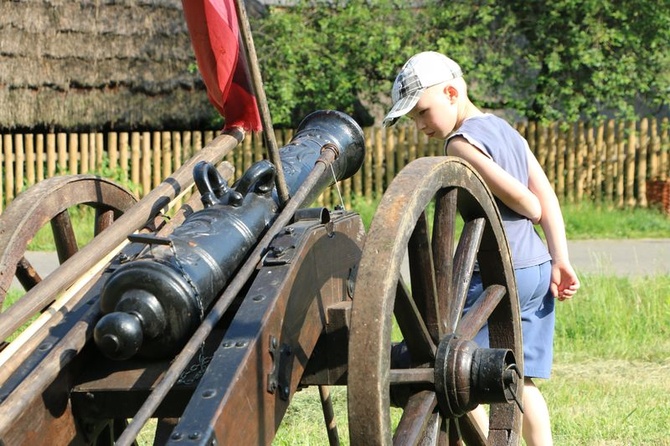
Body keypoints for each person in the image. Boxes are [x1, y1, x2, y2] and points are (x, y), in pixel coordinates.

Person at [383, 51, 580, 445]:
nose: (420, 125)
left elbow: (531, 202)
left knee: (457, 371)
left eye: (422, 112)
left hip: (499, 276)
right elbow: (549, 197)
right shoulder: (505, 129)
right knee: (518, 378)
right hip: (536, 269)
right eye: (413, 118)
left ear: (452, 92)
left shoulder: (459, 146)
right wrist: (561, 259)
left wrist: (529, 205)